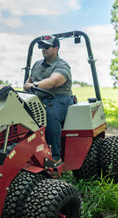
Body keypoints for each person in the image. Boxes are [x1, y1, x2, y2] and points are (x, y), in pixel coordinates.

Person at [23, 35, 73, 167]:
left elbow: (54, 81)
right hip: (39, 97)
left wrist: (35, 86)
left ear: (55, 48)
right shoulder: (37, 64)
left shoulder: (62, 65)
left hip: (60, 98)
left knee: (49, 115)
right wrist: (28, 85)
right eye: (41, 46)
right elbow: (29, 81)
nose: (43, 49)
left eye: (46, 46)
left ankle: (55, 157)